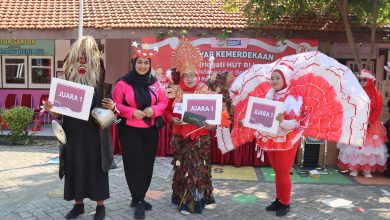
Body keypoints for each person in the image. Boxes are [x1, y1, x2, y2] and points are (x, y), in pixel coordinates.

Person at [43, 36, 113, 220]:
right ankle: (78, 205)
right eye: (79, 53)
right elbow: (58, 113)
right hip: (72, 131)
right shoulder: (67, 78)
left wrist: (112, 107)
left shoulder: (100, 74)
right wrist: (51, 110)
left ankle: (100, 206)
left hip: (94, 131)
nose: (83, 57)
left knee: (96, 166)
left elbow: (108, 108)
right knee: (75, 166)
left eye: (86, 53)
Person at [112, 43, 168, 219]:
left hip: (150, 129)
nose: (143, 66)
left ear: (150, 65)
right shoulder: (123, 83)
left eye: (146, 63)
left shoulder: (155, 83)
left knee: (147, 164)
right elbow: (115, 105)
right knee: (134, 165)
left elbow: (164, 101)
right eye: (139, 62)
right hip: (129, 129)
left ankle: (138, 196)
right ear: (133, 63)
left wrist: (155, 110)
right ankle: (139, 200)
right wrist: (131, 112)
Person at [165, 38, 216, 215]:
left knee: (197, 168)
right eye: (186, 75)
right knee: (183, 167)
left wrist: (212, 125)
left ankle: (193, 201)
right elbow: (166, 112)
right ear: (182, 76)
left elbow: (215, 116)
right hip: (181, 136)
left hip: (200, 137)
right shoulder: (175, 91)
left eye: (192, 74)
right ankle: (181, 196)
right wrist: (172, 120)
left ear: (197, 74)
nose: (190, 78)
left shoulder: (205, 91)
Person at [256, 63, 305, 217]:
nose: (274, 80)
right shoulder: (269, 95)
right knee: (277, 171)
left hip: (287, 138)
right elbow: (262, 115)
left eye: (278, 77)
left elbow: (295, 123)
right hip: (272, 137)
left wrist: (281, 121)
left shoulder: (293, 97)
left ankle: (285, 203)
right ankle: (279, 199)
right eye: (272, 78)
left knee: (283, 171)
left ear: (285, 79)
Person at [338, 69, 388, 178]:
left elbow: (377, 110)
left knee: (369, 149)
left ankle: (367, 170)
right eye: (361, 79)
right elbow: (352, 106)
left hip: (371, 125)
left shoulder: (377, 96)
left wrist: (369, 122)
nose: (362, 81)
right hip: (357, 123)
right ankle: (354, 168)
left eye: (365, 79)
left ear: (370, 80)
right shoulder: (357, 93)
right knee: (354, 147)